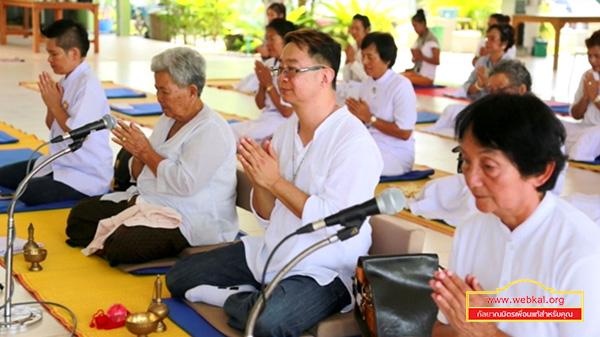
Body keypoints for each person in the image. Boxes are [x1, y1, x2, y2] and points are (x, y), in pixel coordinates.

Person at [166, 30, 383, 336]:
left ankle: (237, 297)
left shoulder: (353, 142)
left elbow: (335, 222)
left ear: (325, 77)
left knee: (269, 322)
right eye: (280, 68)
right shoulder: (285, 132)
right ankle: (255, 294)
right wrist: (260, 181)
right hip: (272, 251)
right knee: (178, 277)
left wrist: (275, 181)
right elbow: (267, 216)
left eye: (293, 68)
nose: (282, 76)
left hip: (324, 269)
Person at [430, 94, 600, 337]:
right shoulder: (470, 230)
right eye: (466, 161)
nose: (471, 178)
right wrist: (468, 327)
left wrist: (486, 332)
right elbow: (440, 330)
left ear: (541, 171)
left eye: (488, 166)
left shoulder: (580, 251)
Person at [65, 47, 238, 266]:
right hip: (150, 200)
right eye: (157, 90)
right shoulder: (168, 119)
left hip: (189, 217)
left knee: (124, 246)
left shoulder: (211, 129)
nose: (159, 98)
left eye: (164, 92)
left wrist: (145, 151)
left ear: (192, 91)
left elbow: (185, 185)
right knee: (80, 216)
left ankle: (113, 239)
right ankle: (111, 238)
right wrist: (138, 153)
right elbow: (140, 175)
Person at [0, 19, 112, 206]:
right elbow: (52, 126)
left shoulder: (88, 86)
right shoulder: (66, 81)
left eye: (54, 54)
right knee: (3, 176)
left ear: (74, 53)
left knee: (28, 192)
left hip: (84, 174)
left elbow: (80, 135)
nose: (49, 60)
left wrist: (54, 106)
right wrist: (50, 104)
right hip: (58, 163)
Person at [346, 32, 417, 176]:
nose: (365, 62)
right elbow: (362, 122)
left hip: (395, 153)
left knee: (353, 167)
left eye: (370, 57)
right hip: (369, 145)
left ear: (387, 60)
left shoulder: (401, 85)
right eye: (363, 56)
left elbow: (405, 132)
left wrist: (370, 118)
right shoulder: (366, 83)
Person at [425, 59, 532, 138]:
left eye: (500, 90)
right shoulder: (483, 61)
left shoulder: (534, 119)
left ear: (521, 90)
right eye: (491, 91)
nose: (495, 96)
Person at [230, 19, 296, 143]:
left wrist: (268, 84)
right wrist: (262, 82)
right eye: (267, 39)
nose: (268, 44)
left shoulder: (292, 68)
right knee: (228, 130)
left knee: (240, 138)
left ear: (285, 40)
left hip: (282, 122)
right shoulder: (271, 64)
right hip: (266, 118)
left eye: (272, 39)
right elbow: (260, 105)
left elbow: (287, 112)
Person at [564, 29, 600, 162]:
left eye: (597, 56)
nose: (592, 60)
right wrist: (585, 97)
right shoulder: (588, 75)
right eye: (589, 56)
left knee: (589, 137)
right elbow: (575, 114)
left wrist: (595, 98)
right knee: (554, 125)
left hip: (597, 132)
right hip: (584, 128)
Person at [462, 24, 515, 100]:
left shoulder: (511, 66)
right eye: (487, 38)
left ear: (504, 44)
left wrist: (488, 84)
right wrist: (479, 85)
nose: (487, 42)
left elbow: (509, 95)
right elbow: (467, 88)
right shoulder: (482, 61)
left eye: (493, 39)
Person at [402, 9, 440, 87]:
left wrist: (421, 57)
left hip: (427, 76)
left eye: (416, 26)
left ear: (423, 24)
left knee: (401, 79)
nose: (414, 29)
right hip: (417, 72)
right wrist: (415, 57)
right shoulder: (420, 38)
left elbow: (437, 61)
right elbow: (417, 57)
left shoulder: (432, 40)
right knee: (395, 76)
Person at [342, 14, 371, 83]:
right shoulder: (353, 48)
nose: (353, 32)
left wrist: (352, 60)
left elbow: (368, 78)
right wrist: (348, 60)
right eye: (352, 28)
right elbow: (346, 79)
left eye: (357, 29)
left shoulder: (371, 50)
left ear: (367, 30)